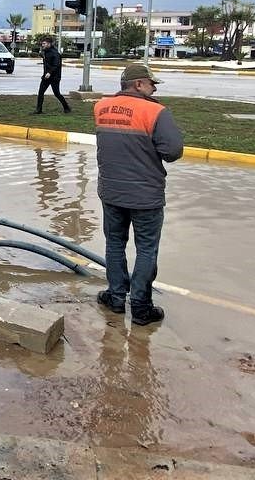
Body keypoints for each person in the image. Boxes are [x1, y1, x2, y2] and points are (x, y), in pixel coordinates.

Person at [93, 64, 183, 325]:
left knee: (114, 244)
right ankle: (142, 307)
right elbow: (173, 151)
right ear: (139, 85)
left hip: (111, 191)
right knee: (146, 248)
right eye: (152, 84)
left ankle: (116, 297)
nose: (154, 88)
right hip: (145, 195)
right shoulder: (156, 112)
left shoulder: (101, 107)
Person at [34, 36, 70, 114]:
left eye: (44, 43)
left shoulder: (55, 53)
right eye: (42, 43)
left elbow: (56, 65)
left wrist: (49, 72)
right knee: (40, 92)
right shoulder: (45, 52)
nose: (42, 45)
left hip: (54, 77)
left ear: (49, 44)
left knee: (57, 93)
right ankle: (38, 110)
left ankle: (66, 108)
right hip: (46, 77)